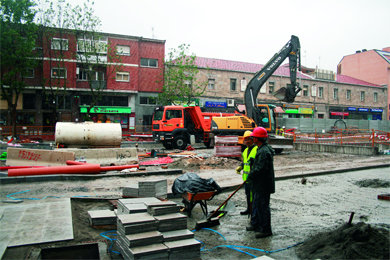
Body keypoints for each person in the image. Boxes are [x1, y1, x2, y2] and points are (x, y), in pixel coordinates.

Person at [246, 127, 275, 238]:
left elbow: (260, 169)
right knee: (257, 205)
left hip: (263, 185)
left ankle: (265, 229)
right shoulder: (261, 149)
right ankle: (257, 225)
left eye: (253, 137)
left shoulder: (264, 151)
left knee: (263, 207)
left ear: (257, 138)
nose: (252, 138)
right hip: (259, 184)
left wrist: (251, 175)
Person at [235, 131, 257, 215]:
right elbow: (245, 162)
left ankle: (253, 212)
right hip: (246, 178)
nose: (247, 141)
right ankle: (249, 209)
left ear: (252, 140)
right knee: (248, 195)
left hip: (253, 179)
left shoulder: (256, 149)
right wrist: (241, 167)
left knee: (253, 196)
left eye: (249, 139)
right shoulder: (245, 150)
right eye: (245, 140)